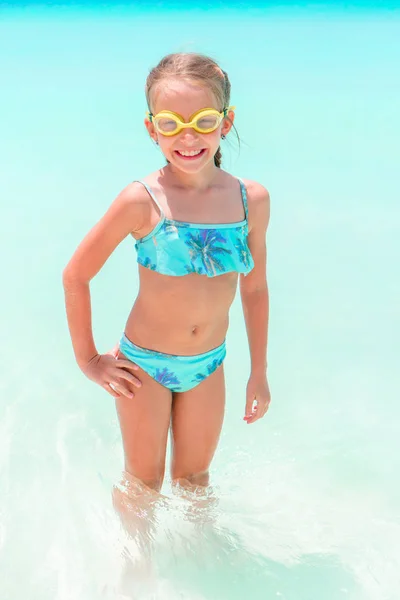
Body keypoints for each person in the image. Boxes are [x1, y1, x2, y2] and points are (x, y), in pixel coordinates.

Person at [62, 52, 271, 537]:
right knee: (144, 482)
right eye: (170, 123)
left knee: (196, 482)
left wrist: (258, 371)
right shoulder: (142, 199)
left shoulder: (250, 200)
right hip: (144, 367)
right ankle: (137, 574)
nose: (188, 136)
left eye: (203, 120)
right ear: (151, 128)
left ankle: (200, 575)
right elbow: (76, 275)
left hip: (209, 365)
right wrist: (89, 360)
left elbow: (255, 288)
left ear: (226, 121)